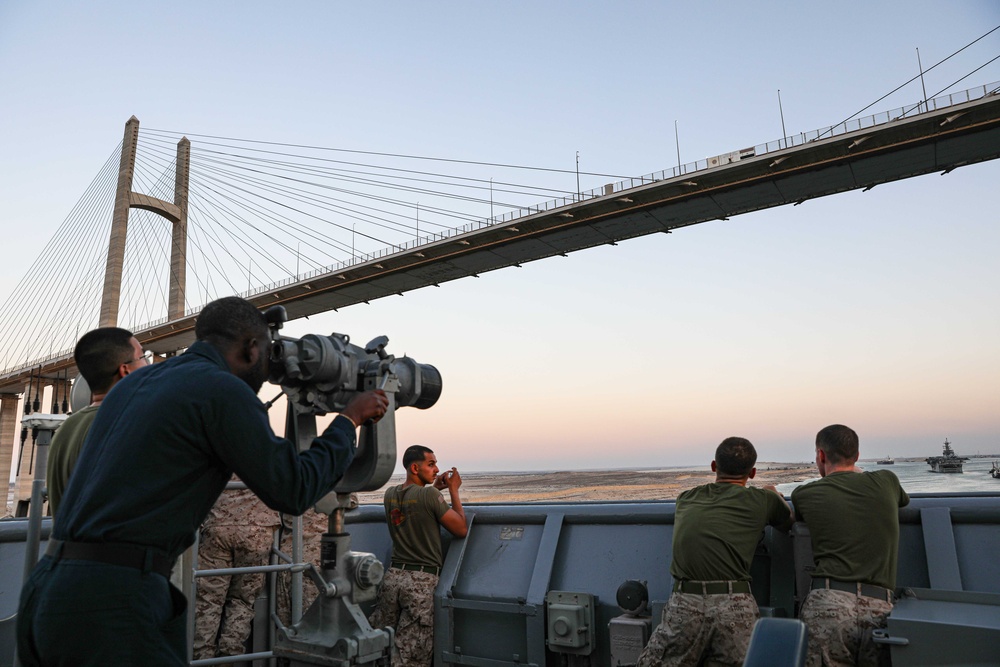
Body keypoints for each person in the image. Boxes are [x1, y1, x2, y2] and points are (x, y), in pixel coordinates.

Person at [16, 295, 389, 667]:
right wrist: (348, 420)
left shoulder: (137, 383)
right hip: (113, 603)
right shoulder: (222, 390)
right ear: (251, 348)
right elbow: (293, 490)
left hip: (46, 590)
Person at [636, 437, 793, 667]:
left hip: (685, 602)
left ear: (713, 466)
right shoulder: (763, 500)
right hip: (735, 604)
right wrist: (772, 493)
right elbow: (787, 522)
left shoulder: (687, 498)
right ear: (752, 473)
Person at [791, 424, 909, 667]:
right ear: (856, 456)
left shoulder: (804, 494)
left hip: (827, 607)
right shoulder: (887, 481)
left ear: (821, 456)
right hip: (880, 609)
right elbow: (901, 499)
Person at [369, 445, 467, 667]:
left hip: (393, 578)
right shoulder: (429, 495)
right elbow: (460, 528)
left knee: (380, 647)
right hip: (420, 582)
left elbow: (413, 506)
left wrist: (435, 490)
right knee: (411, 656)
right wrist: (453, 490)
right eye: (431, 464)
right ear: (415, 467)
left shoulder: (390, 494)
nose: (436, 469)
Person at [46, 326, 149, 515]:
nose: (149, 365)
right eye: (143, 357)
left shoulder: (66, 428)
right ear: (125, 370)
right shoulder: (125, 427)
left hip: (66, 544)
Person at [193, 484, 281, 660]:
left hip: (219, 524)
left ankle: (201, 658)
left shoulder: (223, 454)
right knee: (243, 601)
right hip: (258, 528)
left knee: (208, 600)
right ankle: (229, 657)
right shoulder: (269, 454)